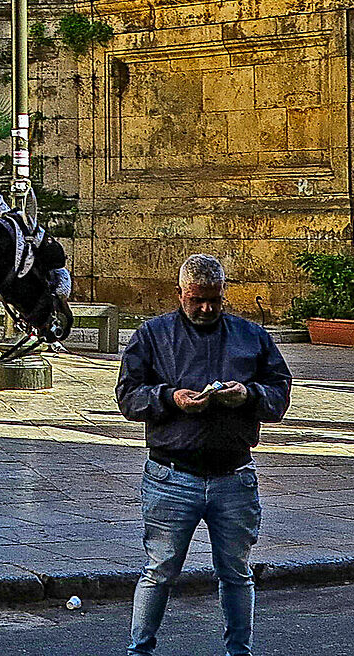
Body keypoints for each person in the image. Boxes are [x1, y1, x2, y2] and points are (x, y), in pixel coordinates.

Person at [115, 253, 293, 656]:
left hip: (233, 474)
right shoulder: (152, 335)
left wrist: (249, 394)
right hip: (171, 474)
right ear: (180, 294)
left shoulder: (251, 336)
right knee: (159, 571)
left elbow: (279, 393)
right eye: (197, 300)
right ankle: (139, 650)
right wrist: (169, 397)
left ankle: (239, 651)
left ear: (224, 293)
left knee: (236, 573)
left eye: (214, 299)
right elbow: (128, 395)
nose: (207, 308)